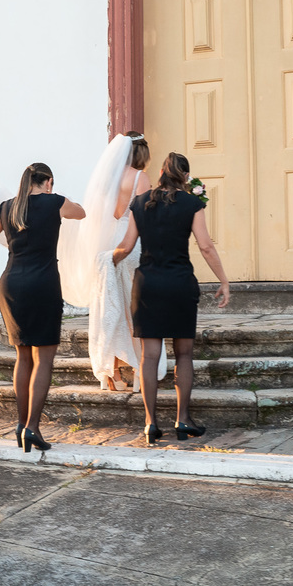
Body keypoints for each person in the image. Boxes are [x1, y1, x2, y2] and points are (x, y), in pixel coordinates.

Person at [113, 152, 230, 445]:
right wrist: (224, 281)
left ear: (162, 173)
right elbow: (205, 246)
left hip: (148, 286)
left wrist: (106, 261)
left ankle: (150, 423)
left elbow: (126, 247)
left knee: (149, 356)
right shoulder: (193, 203)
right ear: (185, 177)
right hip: (179, 284)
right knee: (184, 354)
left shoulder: (140, 203)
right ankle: (182, 419)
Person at [0, 163, 85, 453]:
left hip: (12, 284)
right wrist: (58, 198)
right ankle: (32, 427)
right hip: (44, 283)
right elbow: (81, 212)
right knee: (44, 359)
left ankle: (21, 424)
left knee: (23, 357)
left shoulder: (7, 208)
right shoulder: (55, 202)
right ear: (48, 182)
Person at [59, 131, 165, 391]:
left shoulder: (105, 180)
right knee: (135, 310)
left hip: (106, 246)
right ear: (141, 153)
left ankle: (112, 376)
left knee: (110, 311)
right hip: (131, 243)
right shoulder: (140, 178)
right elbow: (145, 215)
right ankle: (141, 372)